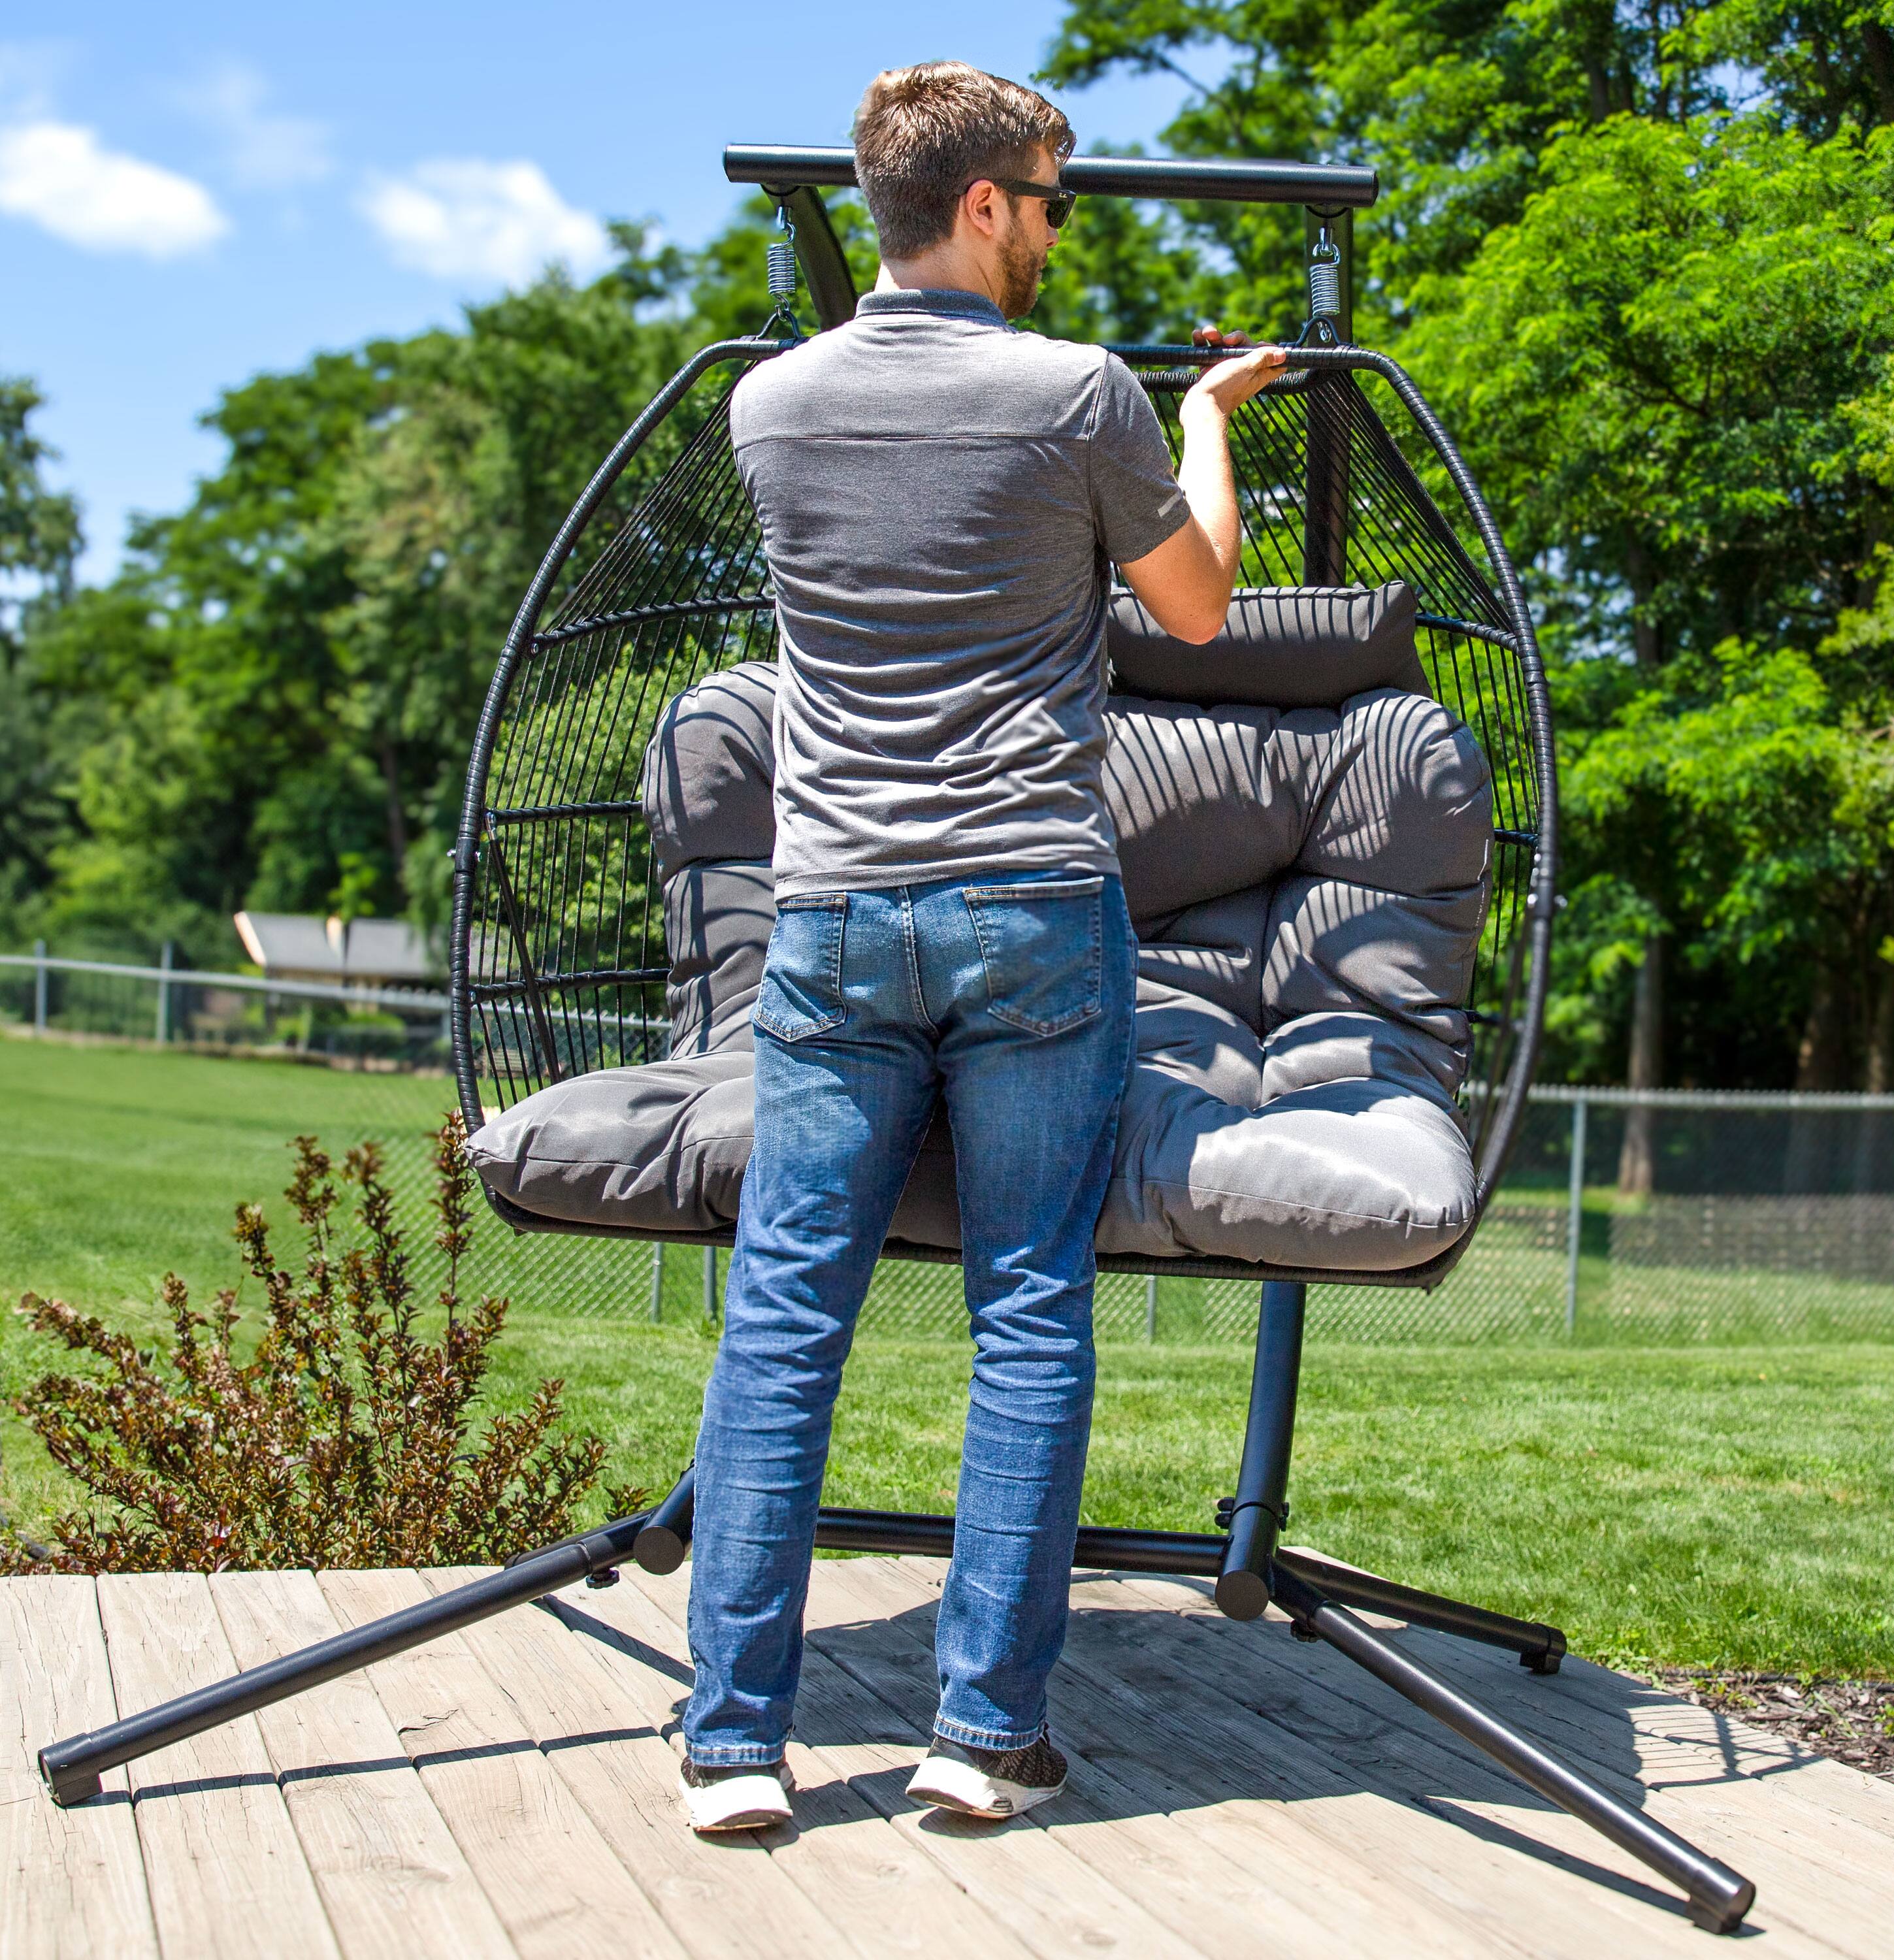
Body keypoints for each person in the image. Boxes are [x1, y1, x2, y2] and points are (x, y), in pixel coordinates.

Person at [679, 57, 1283, 1834]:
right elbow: (1198, 604)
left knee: (787, 1319)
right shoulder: (1079, 393)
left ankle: (731, 1749)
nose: (1055, 239)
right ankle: (980, 1736)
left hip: (836, 912)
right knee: (1029, 1308)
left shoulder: (771, 409)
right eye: (1052, 205)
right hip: (1028, 904)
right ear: (986, 207)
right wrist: (1210, 419)